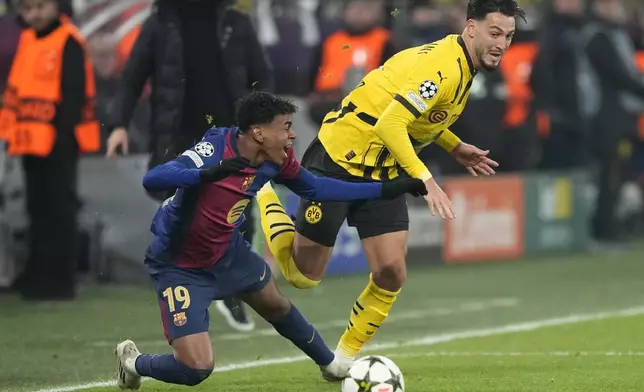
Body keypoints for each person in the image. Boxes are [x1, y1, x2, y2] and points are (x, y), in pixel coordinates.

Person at [254, 0, 525, 370]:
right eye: (495, 33)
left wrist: (453, 145)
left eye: (508, 36)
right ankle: (265, 192)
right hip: (338, 159)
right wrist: (427, 180)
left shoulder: (462, 63)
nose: (501, 43)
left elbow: (418, 116)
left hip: (383, 169)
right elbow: (390, 125)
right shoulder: (443, 68)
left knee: (391, 271)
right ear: (471, 27)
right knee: (303, 277)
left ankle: (342, 360)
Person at [114, 92, 426, 389]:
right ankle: (134, 363)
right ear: (259, 133)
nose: (292, 135)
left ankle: (331, 365)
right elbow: (153, 178)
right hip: (180, 264)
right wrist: (205, 174)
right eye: (285, 127)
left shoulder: (277, 160)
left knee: (275, 304)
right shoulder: (215, 149)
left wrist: (387, 189)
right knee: (196, 368)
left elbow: (316, 189)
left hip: (227, 252)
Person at [104, 0, 273, 331]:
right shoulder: (160, 23)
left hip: (230, 134)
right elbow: (133, 75)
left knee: (239, 212)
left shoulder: (236, 22)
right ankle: (185, 291)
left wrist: (265, 121)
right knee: (182, 213)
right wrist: (119, 124)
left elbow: (261, 75)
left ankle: (233, 290)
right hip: (179, 136)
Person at [0, 0, 100, 300]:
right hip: (30, 141)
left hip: (59, 142)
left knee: (59, 211)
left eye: (40, 7)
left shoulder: (68, 40)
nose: (34, 15)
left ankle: (60, 280)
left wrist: (61, 136)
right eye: (27, 9)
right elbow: (18, 91)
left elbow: (73, 94)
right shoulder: (29, 39)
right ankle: (37, 274)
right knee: (37, 210)